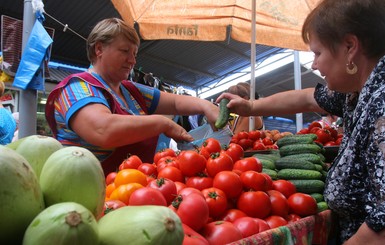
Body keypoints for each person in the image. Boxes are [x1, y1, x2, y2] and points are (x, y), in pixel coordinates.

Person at [216, 0, 385, 244]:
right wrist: (251, 107)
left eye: (318, 53)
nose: (315, 64)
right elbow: (307, 98)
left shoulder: (381, 105)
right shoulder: (358, 92)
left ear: (350, 46)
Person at [45, 18, 219, 175]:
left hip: (130, 190)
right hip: (87, 193)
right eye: (125, 51)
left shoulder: (130, 90)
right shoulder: (76, 88)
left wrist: (206, 106)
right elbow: (102, 130)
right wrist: (162, 123)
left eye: (134, 54)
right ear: (99, 49)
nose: (133, 61)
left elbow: (175, 102)